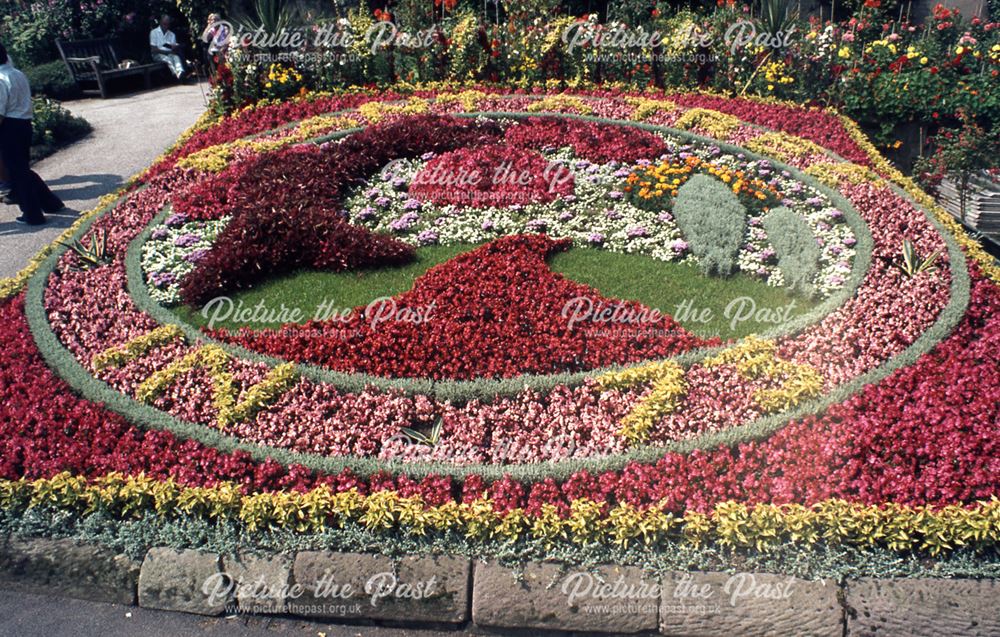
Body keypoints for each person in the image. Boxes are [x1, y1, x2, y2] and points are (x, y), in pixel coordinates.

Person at [0, 43, 63, 225]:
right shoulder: (17, 74)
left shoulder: (1, 79)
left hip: (10, 126)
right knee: (22, 169)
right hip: (24, 124)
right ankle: (51, 203)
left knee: (16, 172)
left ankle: (32, 214)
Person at [150, 15, 186, 79]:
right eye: (164, 24)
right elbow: (154, 50)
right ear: (160, 22)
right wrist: (167, 52)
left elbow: (174, 50)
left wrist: (175, 48)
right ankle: (175, 74)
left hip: (170, 53)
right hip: (157, 55)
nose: (165, 26)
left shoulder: (172, 34)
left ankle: (180, 72)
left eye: (167, 24)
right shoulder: (153, 33)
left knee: (176, 57)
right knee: (168, 59)